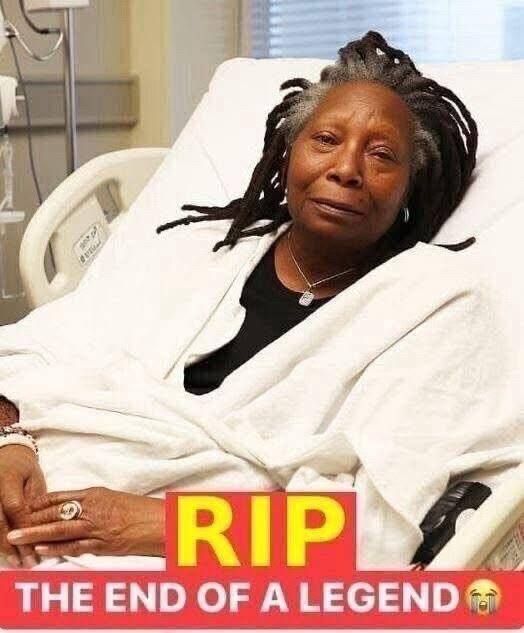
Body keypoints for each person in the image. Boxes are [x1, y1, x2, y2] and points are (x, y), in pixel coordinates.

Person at [0, 31, 500, 570]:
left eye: (381, 155)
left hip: (199, 566)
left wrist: (150, 525)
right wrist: (10, 441)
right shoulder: (194, 250)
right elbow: (32, 353)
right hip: (38, 503)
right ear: (287, 156)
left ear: (410, 188)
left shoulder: (436, 301)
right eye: (326, 140)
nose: (346, 169)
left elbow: (372, 534)